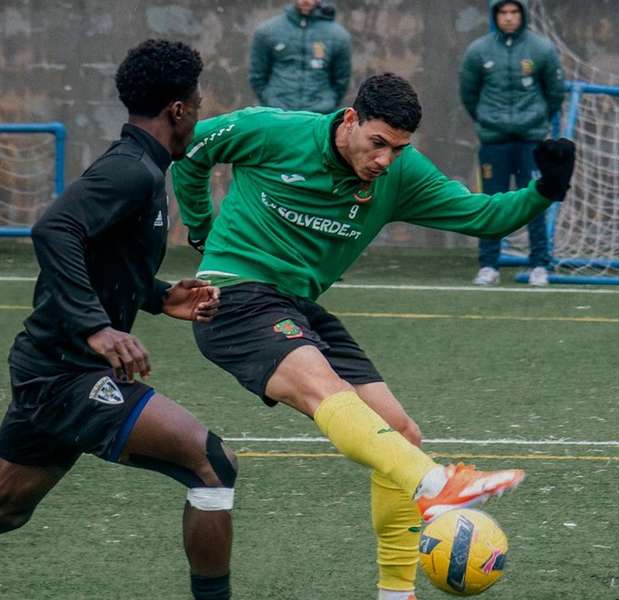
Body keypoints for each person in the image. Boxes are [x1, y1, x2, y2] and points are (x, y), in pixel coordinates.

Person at [172, 72, 575, 600]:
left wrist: (546, 189)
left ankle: (395, 592)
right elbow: (191, 149)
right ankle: (437, 484)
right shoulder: (272, 130)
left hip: (298, 306)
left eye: (398, 148)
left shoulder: (399, 174)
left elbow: (485, 217)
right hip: (233, 296)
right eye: (377, 142)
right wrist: (200, 227)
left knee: (400, 433)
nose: (385, 159)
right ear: (350, 120)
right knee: (327, 390)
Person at [0, 40, 237, 600]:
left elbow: (101, 256)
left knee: (7, 507)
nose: (198, 116)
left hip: (53, 368)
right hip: (67, 374)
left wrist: (158, 297)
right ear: (178, 110)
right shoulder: (132, 171)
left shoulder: (140, 167)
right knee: (212, 464)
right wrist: (96, 327)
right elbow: (55, 229)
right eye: (197, 106)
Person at [459, 0, 565, 286]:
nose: (508, 17)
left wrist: (537, 120)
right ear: (495, 15)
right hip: (494, 141)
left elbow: (555, 92)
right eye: (503, 12)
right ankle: (488, 265)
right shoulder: (478, 50)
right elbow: (468, 93)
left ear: (523, 14)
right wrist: (487, 120)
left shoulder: (541, 49)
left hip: (531, 140)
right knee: (491, 203)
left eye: (514, 12)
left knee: (535, 200)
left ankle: (539, 264)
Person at [249, 0, 352, 113]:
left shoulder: (338, 36)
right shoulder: (267, 32)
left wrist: (328, 102)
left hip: (319, 114)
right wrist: (269, 99)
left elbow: (341, 79)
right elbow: (257, 76)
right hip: (278, 113)